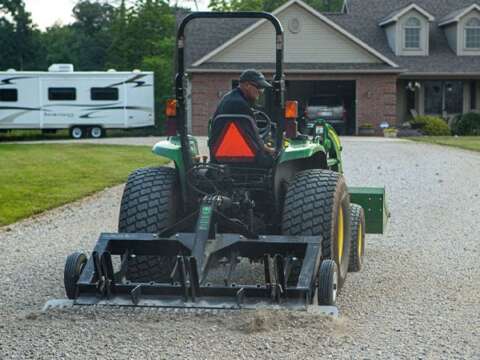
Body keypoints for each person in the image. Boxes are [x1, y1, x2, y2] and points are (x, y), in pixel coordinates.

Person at [210, 69, 275, 157]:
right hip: (237, 154)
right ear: (247, 85)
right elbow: (252, 136)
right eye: (259, 87)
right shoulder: (239, 104)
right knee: (274, 157)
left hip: (222, 151)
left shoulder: (231, 97)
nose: (261, 91)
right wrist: (269, 149)